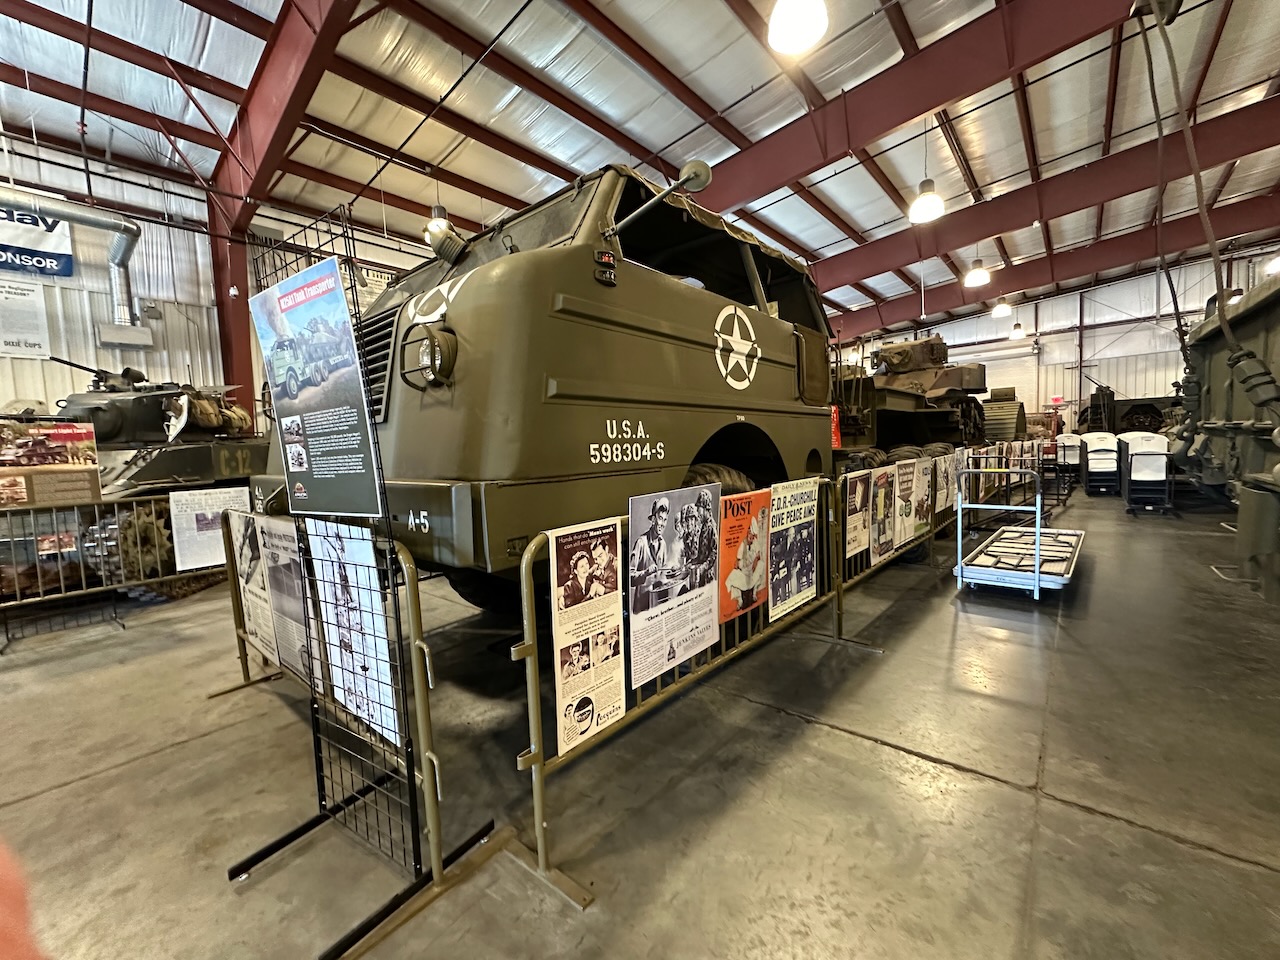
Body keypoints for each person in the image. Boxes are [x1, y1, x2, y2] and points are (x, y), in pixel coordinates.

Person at [630, 497, 669, 612]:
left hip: (658, 604)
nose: (662, 524)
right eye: (660, 518)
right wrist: (646, 573)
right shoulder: (641, 543)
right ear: (653, 520)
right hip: (642, 607)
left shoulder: (663, 544)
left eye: (665, 520)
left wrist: (671, 570)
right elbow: (630, 577)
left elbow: (663, 574)